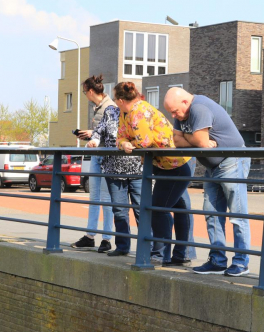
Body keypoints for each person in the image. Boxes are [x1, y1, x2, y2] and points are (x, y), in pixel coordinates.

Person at [164, 87, 251, 277]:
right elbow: (178, 141)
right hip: (212, 167)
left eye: (175, 111)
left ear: (185, 103)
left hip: (232, 160)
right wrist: (194, 138)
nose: (173, 116)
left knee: (237, 214)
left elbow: (201, 142)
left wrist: (194, 139)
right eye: (171, 112)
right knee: (211, 214)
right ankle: (217, 261)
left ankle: (241, 262)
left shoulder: (199, 108)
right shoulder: (182, 113)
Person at [115, 82, 193, 263]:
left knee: (158, 208)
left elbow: (145, 142)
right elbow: (120, 136)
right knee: (176, 207)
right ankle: (179, 255)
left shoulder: (140, 110)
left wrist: (129, 143)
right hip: (162, 165)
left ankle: (161, 253)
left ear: (120, 100)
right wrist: (123, 143)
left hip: (175, 164)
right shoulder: (124, 112)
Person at [80, 75, 144, 258]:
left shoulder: (139, 114)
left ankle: (149, 247)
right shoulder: (110, 112)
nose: (113, 101)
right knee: (119, 210)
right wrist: (94, 140)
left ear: (121, 99)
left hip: (136, 168)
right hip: (114, 169)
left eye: (115, 98)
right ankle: (123, 246)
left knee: (140, 209)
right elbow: (100, 130)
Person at [71, 77, 114, 253]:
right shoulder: (97, 107)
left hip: (106, 157)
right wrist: (90, 136)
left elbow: (114, 133)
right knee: (94, 196)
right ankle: (90, 236)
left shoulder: (110, 107)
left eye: (84, 92)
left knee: (106, 198)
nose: (85, 96)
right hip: (96, 155)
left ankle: (106, 239)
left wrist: (93, 133)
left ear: (90, 91)